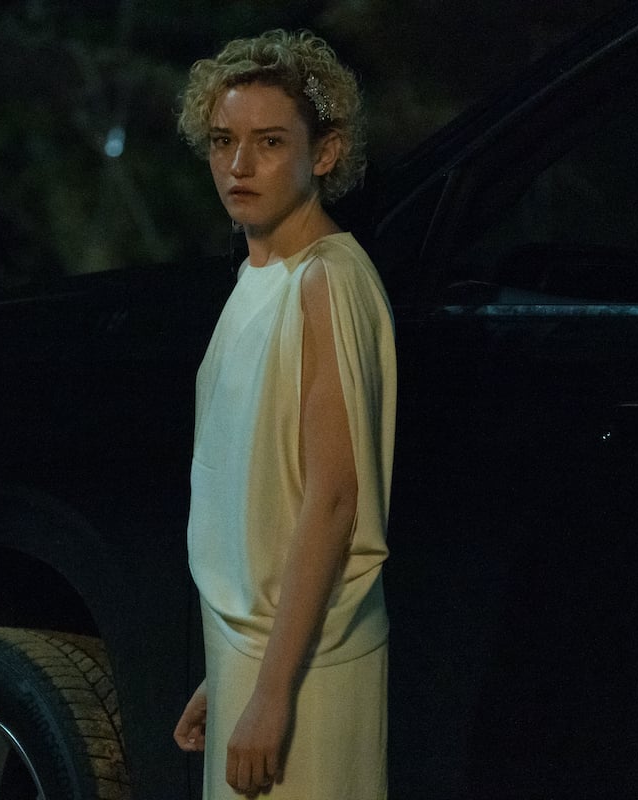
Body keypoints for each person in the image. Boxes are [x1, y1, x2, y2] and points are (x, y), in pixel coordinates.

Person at [172, 29, 397, 799]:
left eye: (269, 142)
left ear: (325, 154)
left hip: (308, 668)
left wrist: (272, 692)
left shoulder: (326, 281)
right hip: (257, 655)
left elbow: (332, 503)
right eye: (223, 141)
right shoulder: (257, 277)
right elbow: (256, 493)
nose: (239, 166)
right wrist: (230, 675)